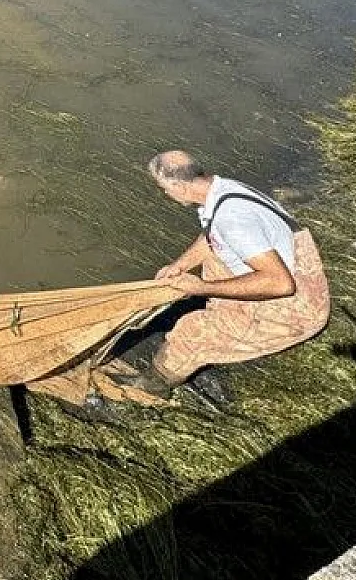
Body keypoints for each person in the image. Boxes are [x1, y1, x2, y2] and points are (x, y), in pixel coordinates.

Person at [114, 150, 332, 398]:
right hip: (291, 265)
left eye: (165, 189)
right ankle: (225, 310)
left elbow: (281, 284)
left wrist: (199, 288)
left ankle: (153, 386)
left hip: (294, 308)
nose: (166, 195)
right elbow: (211, 237)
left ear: (180, 187)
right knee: (215, 258)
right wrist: (181, 265)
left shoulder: (233, 221)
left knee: (190, 334)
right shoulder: (220, 190)